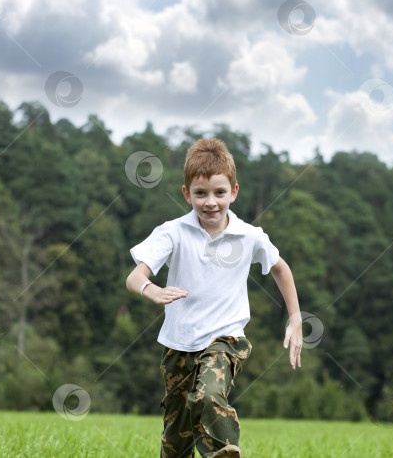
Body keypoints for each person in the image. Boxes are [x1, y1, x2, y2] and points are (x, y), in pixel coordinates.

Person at [126, 137, 303, 458]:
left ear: (234, 191)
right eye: (201, 194)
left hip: (226, 339)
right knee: (176, 438)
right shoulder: (173, 232)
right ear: (186, 194)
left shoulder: (249, 235)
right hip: (178, 344)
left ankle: (223, 451)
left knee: (208, 396)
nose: (211, 202)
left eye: (220, 193)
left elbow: (281, 269)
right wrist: (152, 290)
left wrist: (295, 318)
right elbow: (135, 276)